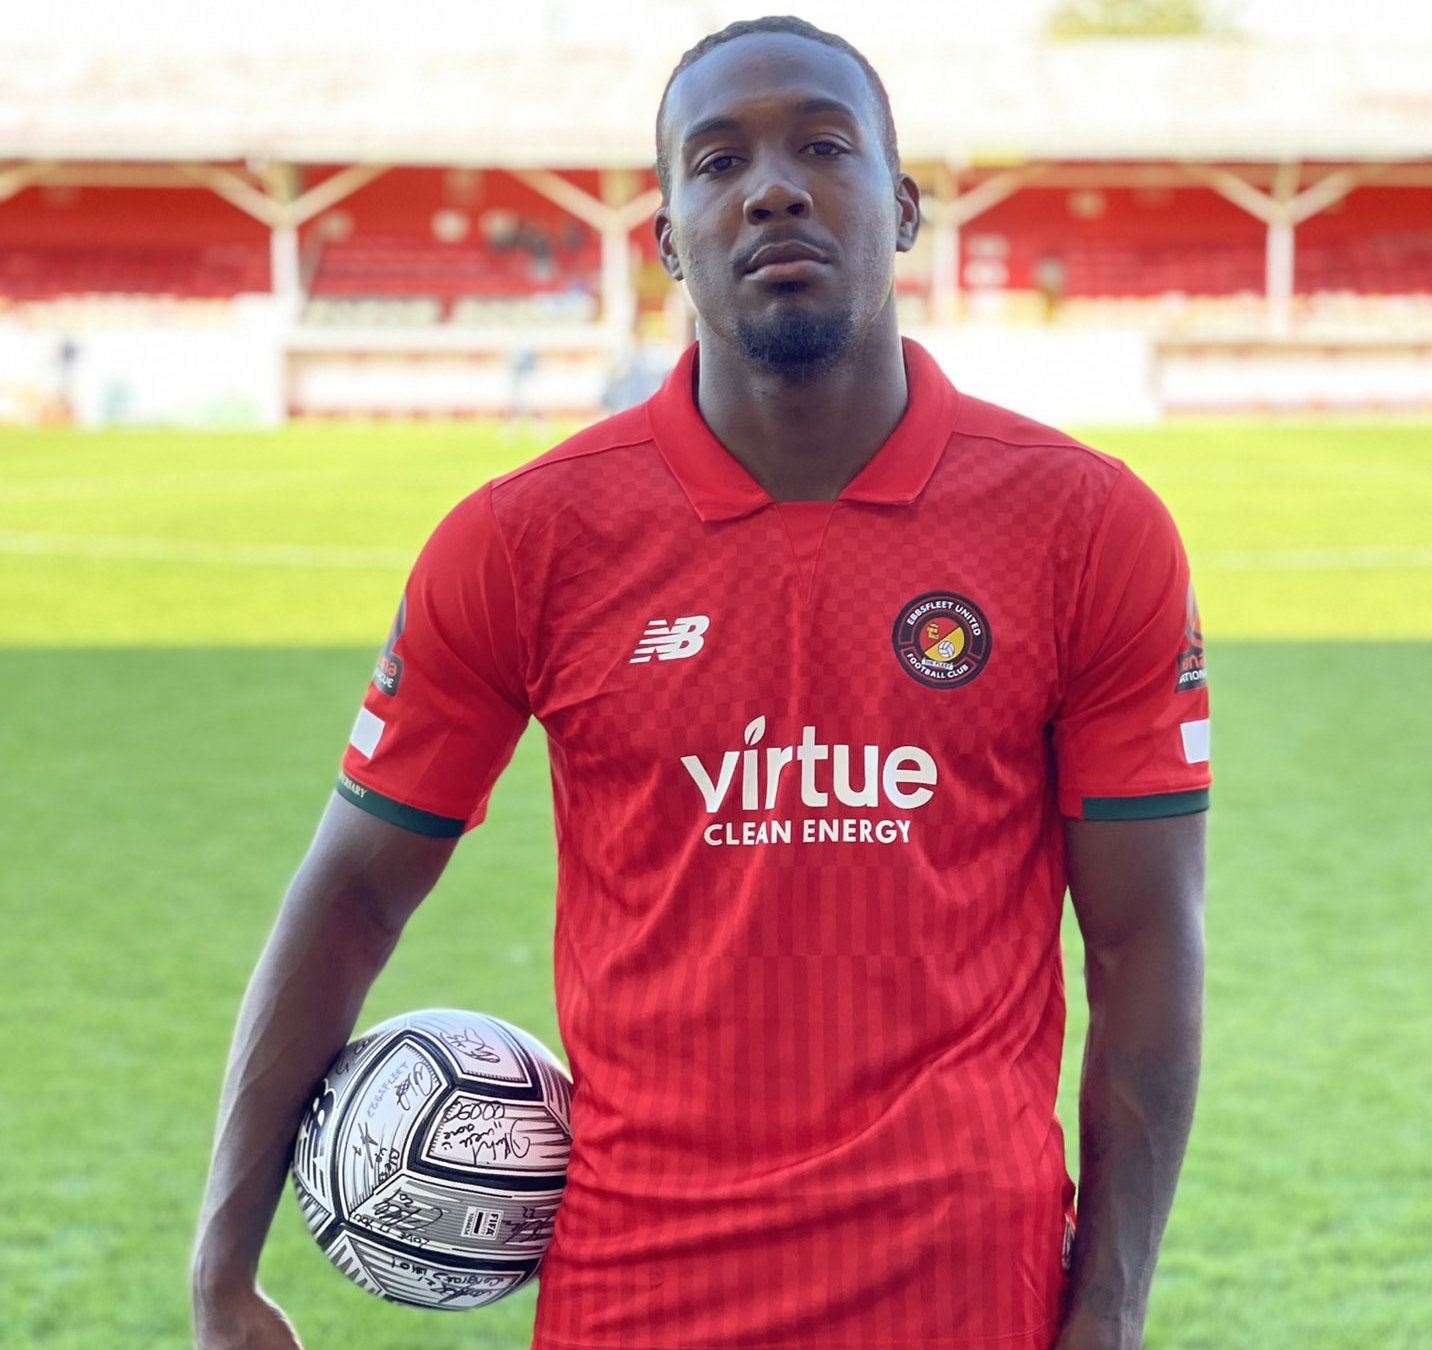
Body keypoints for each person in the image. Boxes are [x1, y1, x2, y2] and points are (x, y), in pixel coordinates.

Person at [191, 16, 1209, 1350]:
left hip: (970, 1285)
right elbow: (353, 890)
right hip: (640, 1291)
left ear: (900, 207)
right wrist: (221, 1268)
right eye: (717, 159)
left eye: (822, 145)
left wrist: (1111, 1306)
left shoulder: (1082, 526)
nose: (773, 185)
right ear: (668, 238)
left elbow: (1143, 939)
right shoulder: (525, 541)